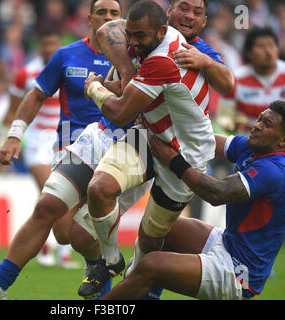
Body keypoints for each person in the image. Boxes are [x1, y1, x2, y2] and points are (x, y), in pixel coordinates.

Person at [0, 0, 123, 300]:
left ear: (122, 19)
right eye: (101, 11)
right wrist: (14, 135)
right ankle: (0, 287)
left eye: (114, 13)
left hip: (118, 151)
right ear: (89, 17)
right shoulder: (66, 55)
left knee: (75, 230)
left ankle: (103, 290)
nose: (107, 17)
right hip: (71, 147)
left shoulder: (132, 58)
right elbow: (36, 95)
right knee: (62, 230)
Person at [78, 0, 233, 298]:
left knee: (149, 245)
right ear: (170, 15)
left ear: (161, 30)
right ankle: (110, 261)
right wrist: (125, 71)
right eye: (131, 35)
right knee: (99, 190)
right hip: (150, 138)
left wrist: (94, 87)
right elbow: (111, 28)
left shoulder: (165, 59)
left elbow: (121, 112)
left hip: (184, 158)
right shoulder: (165, 35)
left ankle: (140, 294)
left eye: (139, 37)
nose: (133, 43)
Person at [101, 101, 285, 300]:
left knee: (149, 266)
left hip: (240, 273)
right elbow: (203, 141)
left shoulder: (274, 170)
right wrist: (159, 126)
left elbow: (217, 193)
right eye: (260, 119)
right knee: (161, 230)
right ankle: (144, 293)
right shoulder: (252, 147)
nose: (257, 125)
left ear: (283, 141)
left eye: (267, 124)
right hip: (228, 243)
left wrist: (173, 161)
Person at [217, 27, 285, 220]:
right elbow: (223, 117)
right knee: (244, 204)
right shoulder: (236, 78)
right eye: (261, 46)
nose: (268, 51)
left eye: (271, 45)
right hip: (249, 148)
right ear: (249, 53)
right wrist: (232, 123)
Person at [3, 29, 79, 269]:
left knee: (63, 194)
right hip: (36, 139)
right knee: (50, 190)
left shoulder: (69, 68)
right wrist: (8, 137)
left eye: (53, 42)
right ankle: (46, 249)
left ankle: (62, 253)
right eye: (45, 43)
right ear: (39, 47)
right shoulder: (25, 74)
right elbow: (14, 107)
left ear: (60, 45)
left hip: (62, 138)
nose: (49, 48)